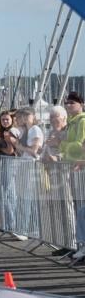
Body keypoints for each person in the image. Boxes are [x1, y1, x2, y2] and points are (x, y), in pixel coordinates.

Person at [59, 92, 85, 262]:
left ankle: (81, 246)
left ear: (81, 104)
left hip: (79, 168)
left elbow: (79, 146)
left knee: (82, 208)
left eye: (72, 103)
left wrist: (60, 145)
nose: (68, 106)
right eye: (66, 103)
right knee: (78, 208)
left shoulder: (82, 121)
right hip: (73, 168)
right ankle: (78, 245)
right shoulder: (71, 122)